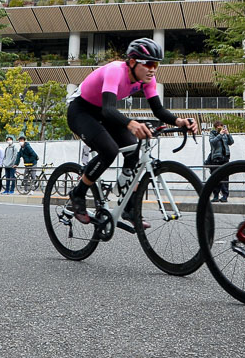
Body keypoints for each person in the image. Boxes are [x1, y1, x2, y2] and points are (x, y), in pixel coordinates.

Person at [65, 38, 197, 230]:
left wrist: (179, 121)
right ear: (133, 62)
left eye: (156, 64)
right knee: (109, 151)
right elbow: (109, 109)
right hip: (81, 111)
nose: (153, 69)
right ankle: (78, 193)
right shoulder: (115, 71)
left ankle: (128, 206)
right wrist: (130, 123)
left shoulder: (147, 80)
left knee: (134, 149)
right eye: (149, 64)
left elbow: (158, 111)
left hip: (103, 111)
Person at [205, 121, 233, 202]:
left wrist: (228, 134)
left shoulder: (225, 134)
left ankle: (225, 196)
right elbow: (212, 142)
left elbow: (231, 142)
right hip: (216, 158)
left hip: (225, 158)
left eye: (221, 126)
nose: (220, 127)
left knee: (225, 178)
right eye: (218, 126)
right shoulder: (212, 134)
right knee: (215, 177)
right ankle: (216, 195)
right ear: (215, 127)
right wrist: (220, 135)